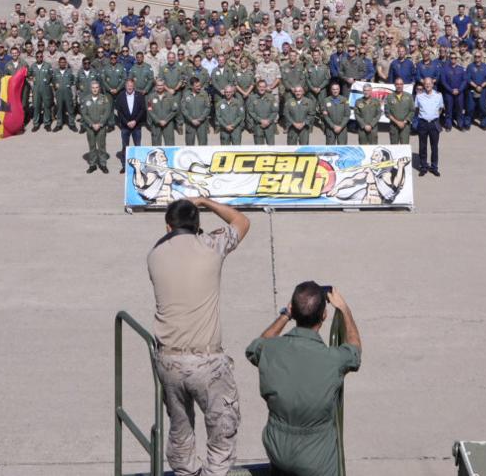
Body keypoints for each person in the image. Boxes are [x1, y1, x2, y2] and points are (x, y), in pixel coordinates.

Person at [148, 197, 251, 476]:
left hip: (168, 361)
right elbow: (241, 222)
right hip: (207, 363)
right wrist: (207, 201)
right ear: (198, 225)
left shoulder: (155, 255)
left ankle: (185, 473)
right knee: (222, 430)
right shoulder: (211, 246)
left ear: (168, 226)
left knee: (180, 430)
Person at [246, 283, 361, 476]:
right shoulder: (333, 360)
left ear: (294, 310)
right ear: (324, 316)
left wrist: (285, 314)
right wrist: (344, 309)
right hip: (317, 462)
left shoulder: (270, 350)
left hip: (278, 452)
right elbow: (355, 351)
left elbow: (256, 346)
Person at [413, 76, 444, 177]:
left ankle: (434, 167)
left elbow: (441, 108)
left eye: (429, 83)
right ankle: (423, 167)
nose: (427, 85)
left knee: (434, 147)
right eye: (426, 84)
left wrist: (434, 116)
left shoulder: (438, 95)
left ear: (433, 84)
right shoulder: (419, 96)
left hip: (434, 124)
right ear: (424, 85)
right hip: (423, 123)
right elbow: (416, 109)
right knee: (423, 146)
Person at [117, 76, 148, 155]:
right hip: (125, 126)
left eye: (131, 85)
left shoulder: (140, 96)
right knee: (125, 146)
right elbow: (119, 111)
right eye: (128, 85)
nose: (129, 87)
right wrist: (126, 122)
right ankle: (125, 166)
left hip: (136, 125)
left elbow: (142, 110)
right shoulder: (120, 96)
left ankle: (138, 165)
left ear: (134, 86)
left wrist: (135, 121)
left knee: (137, 146)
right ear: (125, 86)